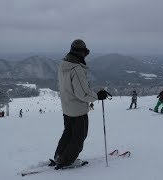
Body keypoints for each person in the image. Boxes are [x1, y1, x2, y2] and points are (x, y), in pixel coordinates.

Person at [53, 39, 110, 170]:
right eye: (84, 52)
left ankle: (60, 156)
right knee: (79, 137)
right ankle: (67, 161)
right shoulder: (77, 69)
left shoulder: (64, 64)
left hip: (67, 107)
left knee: (68, 133)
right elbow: (83, 94)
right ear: (82, 53)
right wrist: (98, 96)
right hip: (78, 110)